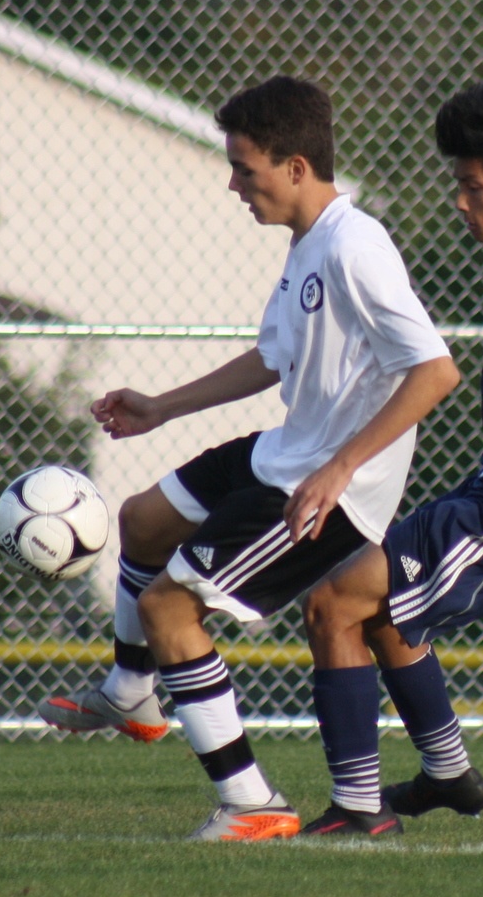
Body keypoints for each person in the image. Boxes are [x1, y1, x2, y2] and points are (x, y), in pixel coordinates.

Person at [36, 75, 460, 842]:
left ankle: (251, 802)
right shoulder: (309, 244)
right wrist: (162, 405)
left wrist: (339, 471)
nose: (233, 184)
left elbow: (435, 370)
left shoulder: (356, 247)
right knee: (143, 519)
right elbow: (270, 358)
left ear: (296, 166)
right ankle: (133, 691)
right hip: (287, 454)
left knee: (169, 606)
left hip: (322, 488)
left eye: (245, 167)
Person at [295, 72, 483, 837]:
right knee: (388, 609)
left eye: (473, 186)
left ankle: (361, 811)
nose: (460, 202)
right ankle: (448, 772)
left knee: (336, 601)